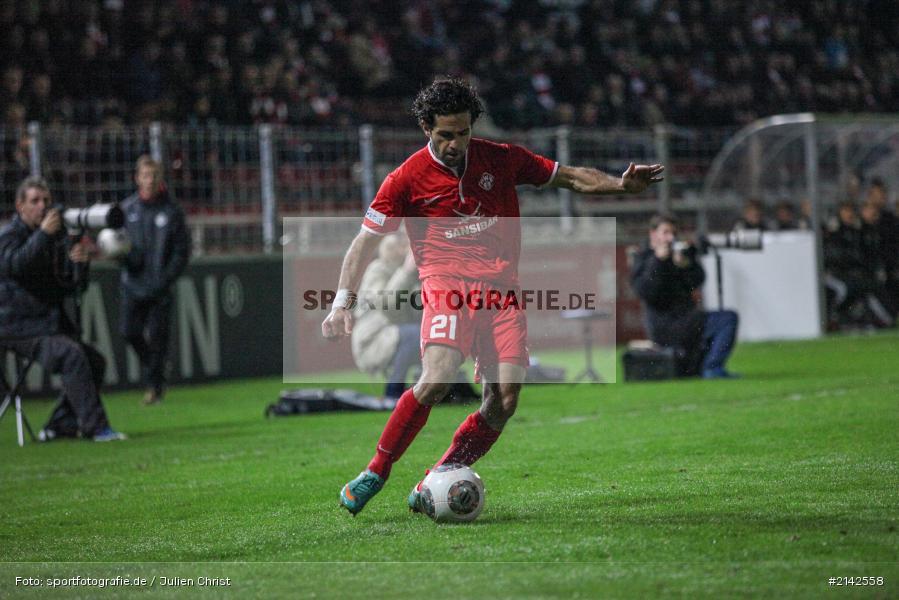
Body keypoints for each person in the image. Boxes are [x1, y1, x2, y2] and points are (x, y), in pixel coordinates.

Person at [321, 77, 663, 516]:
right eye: (445, 134)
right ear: (426, 127)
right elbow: (363, 243)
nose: (455, 143)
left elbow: (571, 178)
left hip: (503, 294)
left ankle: (435, 478)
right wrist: (341, 303)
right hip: (448, 289)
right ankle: (375, 472)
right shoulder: (405, 179)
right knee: (438, 376)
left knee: (504, 401)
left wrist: (621, 186)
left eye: (463, 132)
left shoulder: (501, 159)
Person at [0, 176, 125, 442]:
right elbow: (15, 266)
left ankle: (59, 426)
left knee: (94, 362)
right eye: (35, 201)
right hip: (16, 326)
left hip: (45, 323)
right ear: (20, 206)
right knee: (71, 355)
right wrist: (43, 236)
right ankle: (97, 428)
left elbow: (71, 286)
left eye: (46, 200)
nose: (43, 206)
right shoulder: (8, 236)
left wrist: (80, 264)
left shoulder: (55, 236)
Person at [630, 213, 739, 379]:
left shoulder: (679, 253)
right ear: (653, 234)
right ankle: (712, 367)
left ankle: (707, 367)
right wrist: (659, 261)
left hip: (687, 319)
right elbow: (646, 292)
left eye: (673, 233)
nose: (670, 237)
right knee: (727, 319)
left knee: (724, 319)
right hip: (664, 324)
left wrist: (686, 266)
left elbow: (698, 280)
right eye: (665, 232)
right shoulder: (643, 258)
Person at [118, 156, 191, 405]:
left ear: (160, 179)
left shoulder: (171, 210)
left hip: (160, 287)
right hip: (133, 285)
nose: (149, 181)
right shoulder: (127, 210)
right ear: (137, 178)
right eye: (145, 175)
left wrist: (167, 277)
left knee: (159, 339)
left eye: (154, 176)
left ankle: (153, 387)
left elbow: (182, 250)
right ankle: (155, 372)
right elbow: (119, 245)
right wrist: (121, 257)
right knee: (129, 332)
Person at [351, 233, 422, 401]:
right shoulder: (377, 270)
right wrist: (406, 271)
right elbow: (387, 304)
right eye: (404, 246)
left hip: (396, 335)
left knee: (433, 332)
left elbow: (419, 311)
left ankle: (446, 388)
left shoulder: (410, 275)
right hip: (372, 341)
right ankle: (393, 392)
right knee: (415, 334)